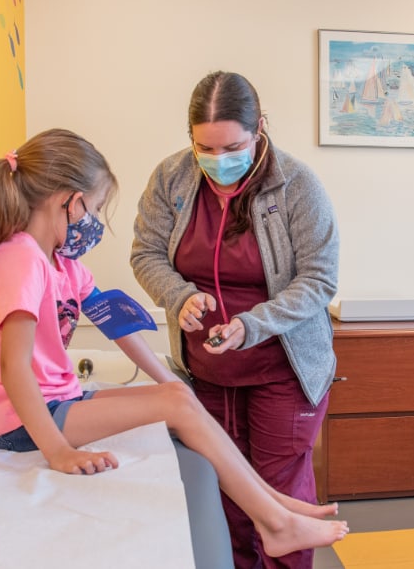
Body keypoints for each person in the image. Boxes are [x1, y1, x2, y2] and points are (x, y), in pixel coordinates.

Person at [0, 128, 347, 561]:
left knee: (176, 395)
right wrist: (57, 451)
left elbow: (115, 324)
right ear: (69, 199)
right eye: (95, 208)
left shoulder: (59, 263)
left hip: (56, 403)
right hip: (20, 424)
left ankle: (269, 501)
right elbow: (14, 368)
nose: (92, 222)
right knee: (174, 403)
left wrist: (174, 387)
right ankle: (275, 521)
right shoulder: (20, 259)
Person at [130, 72, 340, 569]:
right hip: (208, 372)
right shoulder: (171, 179)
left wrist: (254, 324)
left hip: (281, 369)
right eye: (205, 147)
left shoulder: (297, 185)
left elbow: (319, 279)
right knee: (228, 494)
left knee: (279, 495)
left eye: (232, 146)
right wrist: (178, 295)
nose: (219, 160)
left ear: (260, 127)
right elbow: (146, 254)